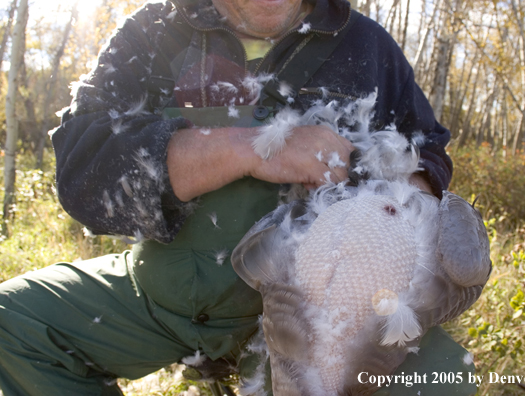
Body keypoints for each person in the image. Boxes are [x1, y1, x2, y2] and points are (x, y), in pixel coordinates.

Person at [0, 0, 474, 394]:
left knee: (444, 380)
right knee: (12, 325)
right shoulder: (153, 32)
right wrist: (251, 148)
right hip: (160, 294)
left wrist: (402, 208)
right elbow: (83, 166)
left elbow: (427, 153)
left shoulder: (369, 46)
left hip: (312, 314)